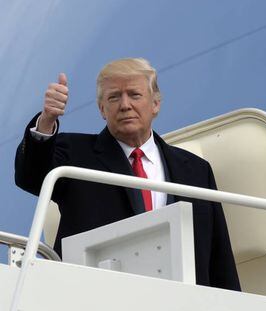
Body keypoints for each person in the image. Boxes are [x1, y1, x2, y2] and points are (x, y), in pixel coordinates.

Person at [15, 58, 241, 291]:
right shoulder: (74, 154)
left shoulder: (195, 170)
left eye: (134, 95)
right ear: (102, 109)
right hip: (94, 297)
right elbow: (31, 176)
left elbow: (218, 257)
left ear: (155, 104)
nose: (124, 105)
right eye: (114, 97)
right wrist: (46, 121)